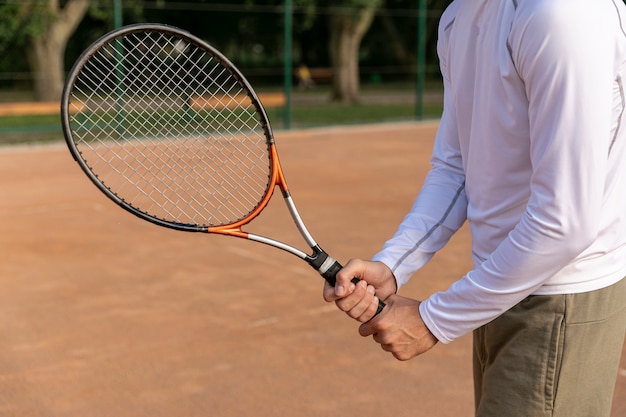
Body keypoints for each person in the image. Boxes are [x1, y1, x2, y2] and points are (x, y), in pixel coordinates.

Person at [323, 1, 626, 416]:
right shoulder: (458, 17)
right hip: (497, 284)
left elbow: (566, 222)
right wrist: (395, 264)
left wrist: (433, 320)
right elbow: (457, 166)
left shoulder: (561, 14)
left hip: (561, 296)